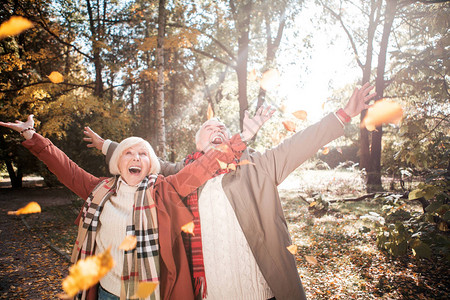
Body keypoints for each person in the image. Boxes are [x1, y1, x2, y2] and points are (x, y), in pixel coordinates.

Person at [85, 83, 376, 300]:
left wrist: (344, 114)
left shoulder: (257, 165)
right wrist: (107, 146)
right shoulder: (178, 174)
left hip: (259, 290)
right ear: (197, 143)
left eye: (223, 127)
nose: (218, 129)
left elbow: (299, 144)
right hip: (207, 292)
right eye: (210, 127)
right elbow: (144, 157)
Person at [0, 112, 270, 300]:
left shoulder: (164, 190)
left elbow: (203, 168)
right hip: (107, 291)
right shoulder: (99, 190)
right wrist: (31, 136)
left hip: (150, 293)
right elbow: (65, 168)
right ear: (118, 162)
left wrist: (242, 136)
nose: (136, 158)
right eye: (128, 152)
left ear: (150, 164)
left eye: (143, 154)